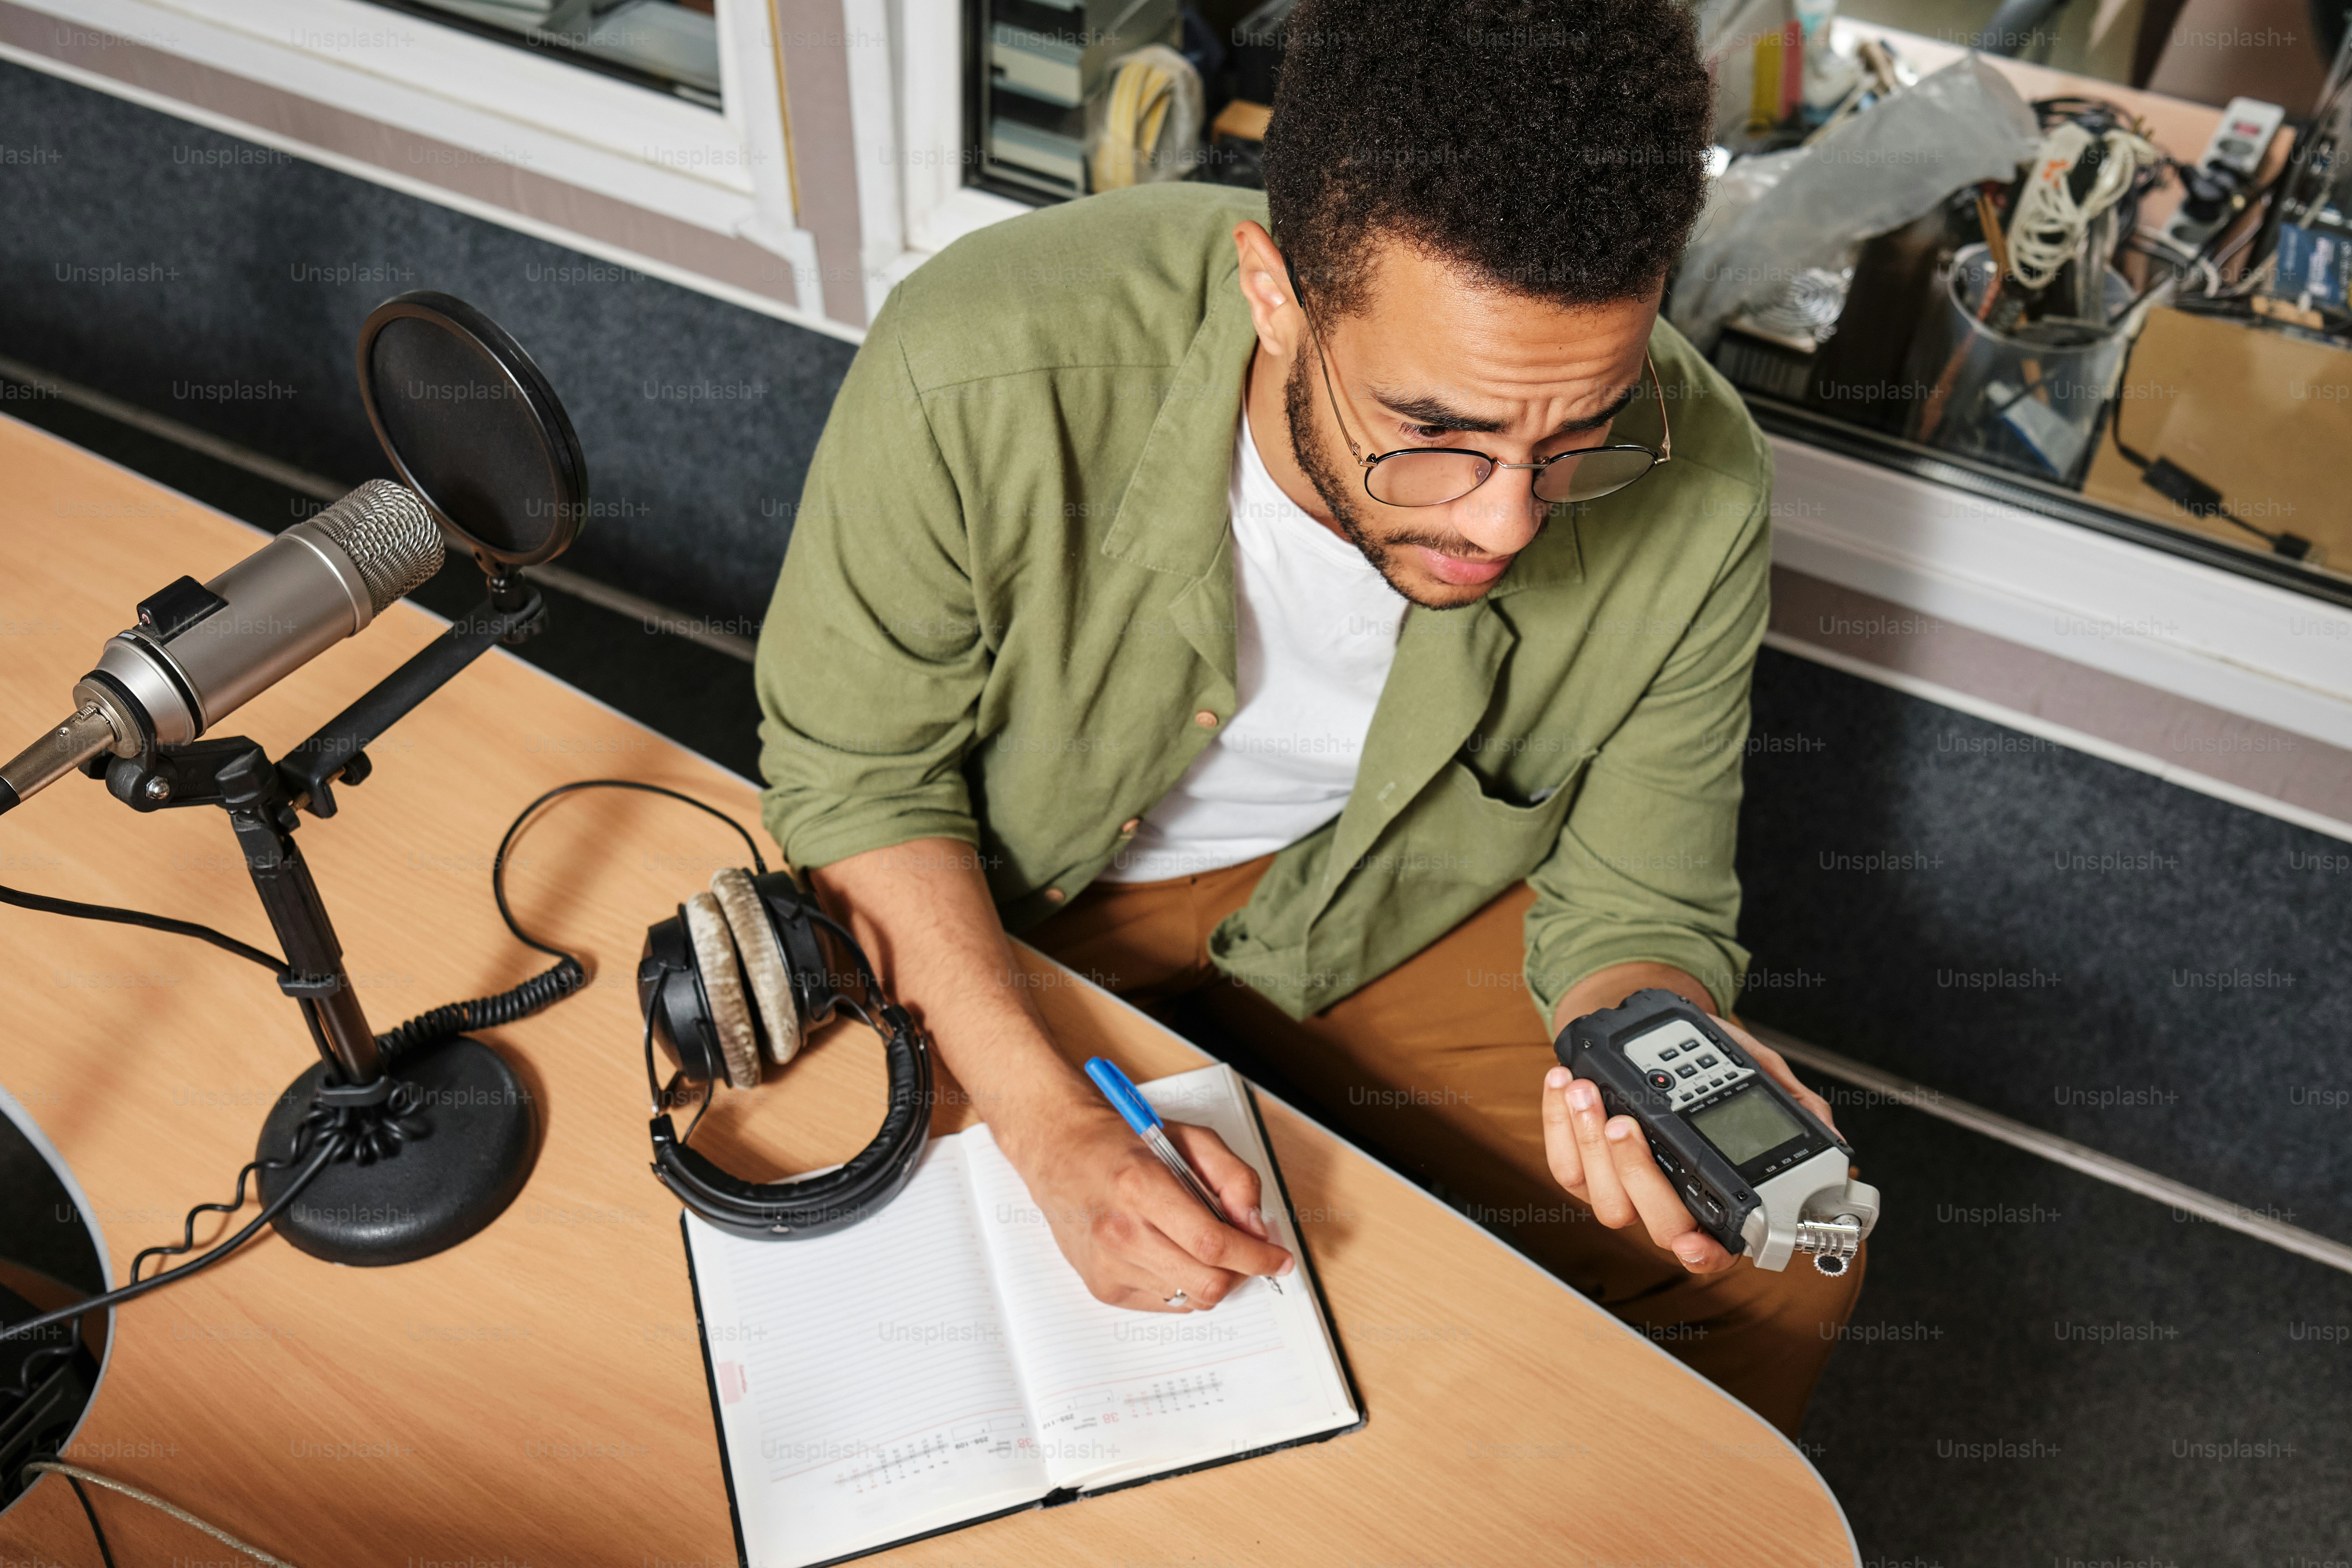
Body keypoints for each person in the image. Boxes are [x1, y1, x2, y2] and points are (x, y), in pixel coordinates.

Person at [753, 0, 1864, 1435]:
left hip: (1381, 888)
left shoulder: (1704, 481)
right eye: (1434, 434)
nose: (1505, 518)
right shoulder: (980, 359)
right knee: (873, 1261)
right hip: (1005, 879)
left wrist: (1650, 1045)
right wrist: (1049, 1118)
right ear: (1274, 295)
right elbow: (857, 782)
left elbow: (1636, 896)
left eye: (1579, 431)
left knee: (1780, 1268)